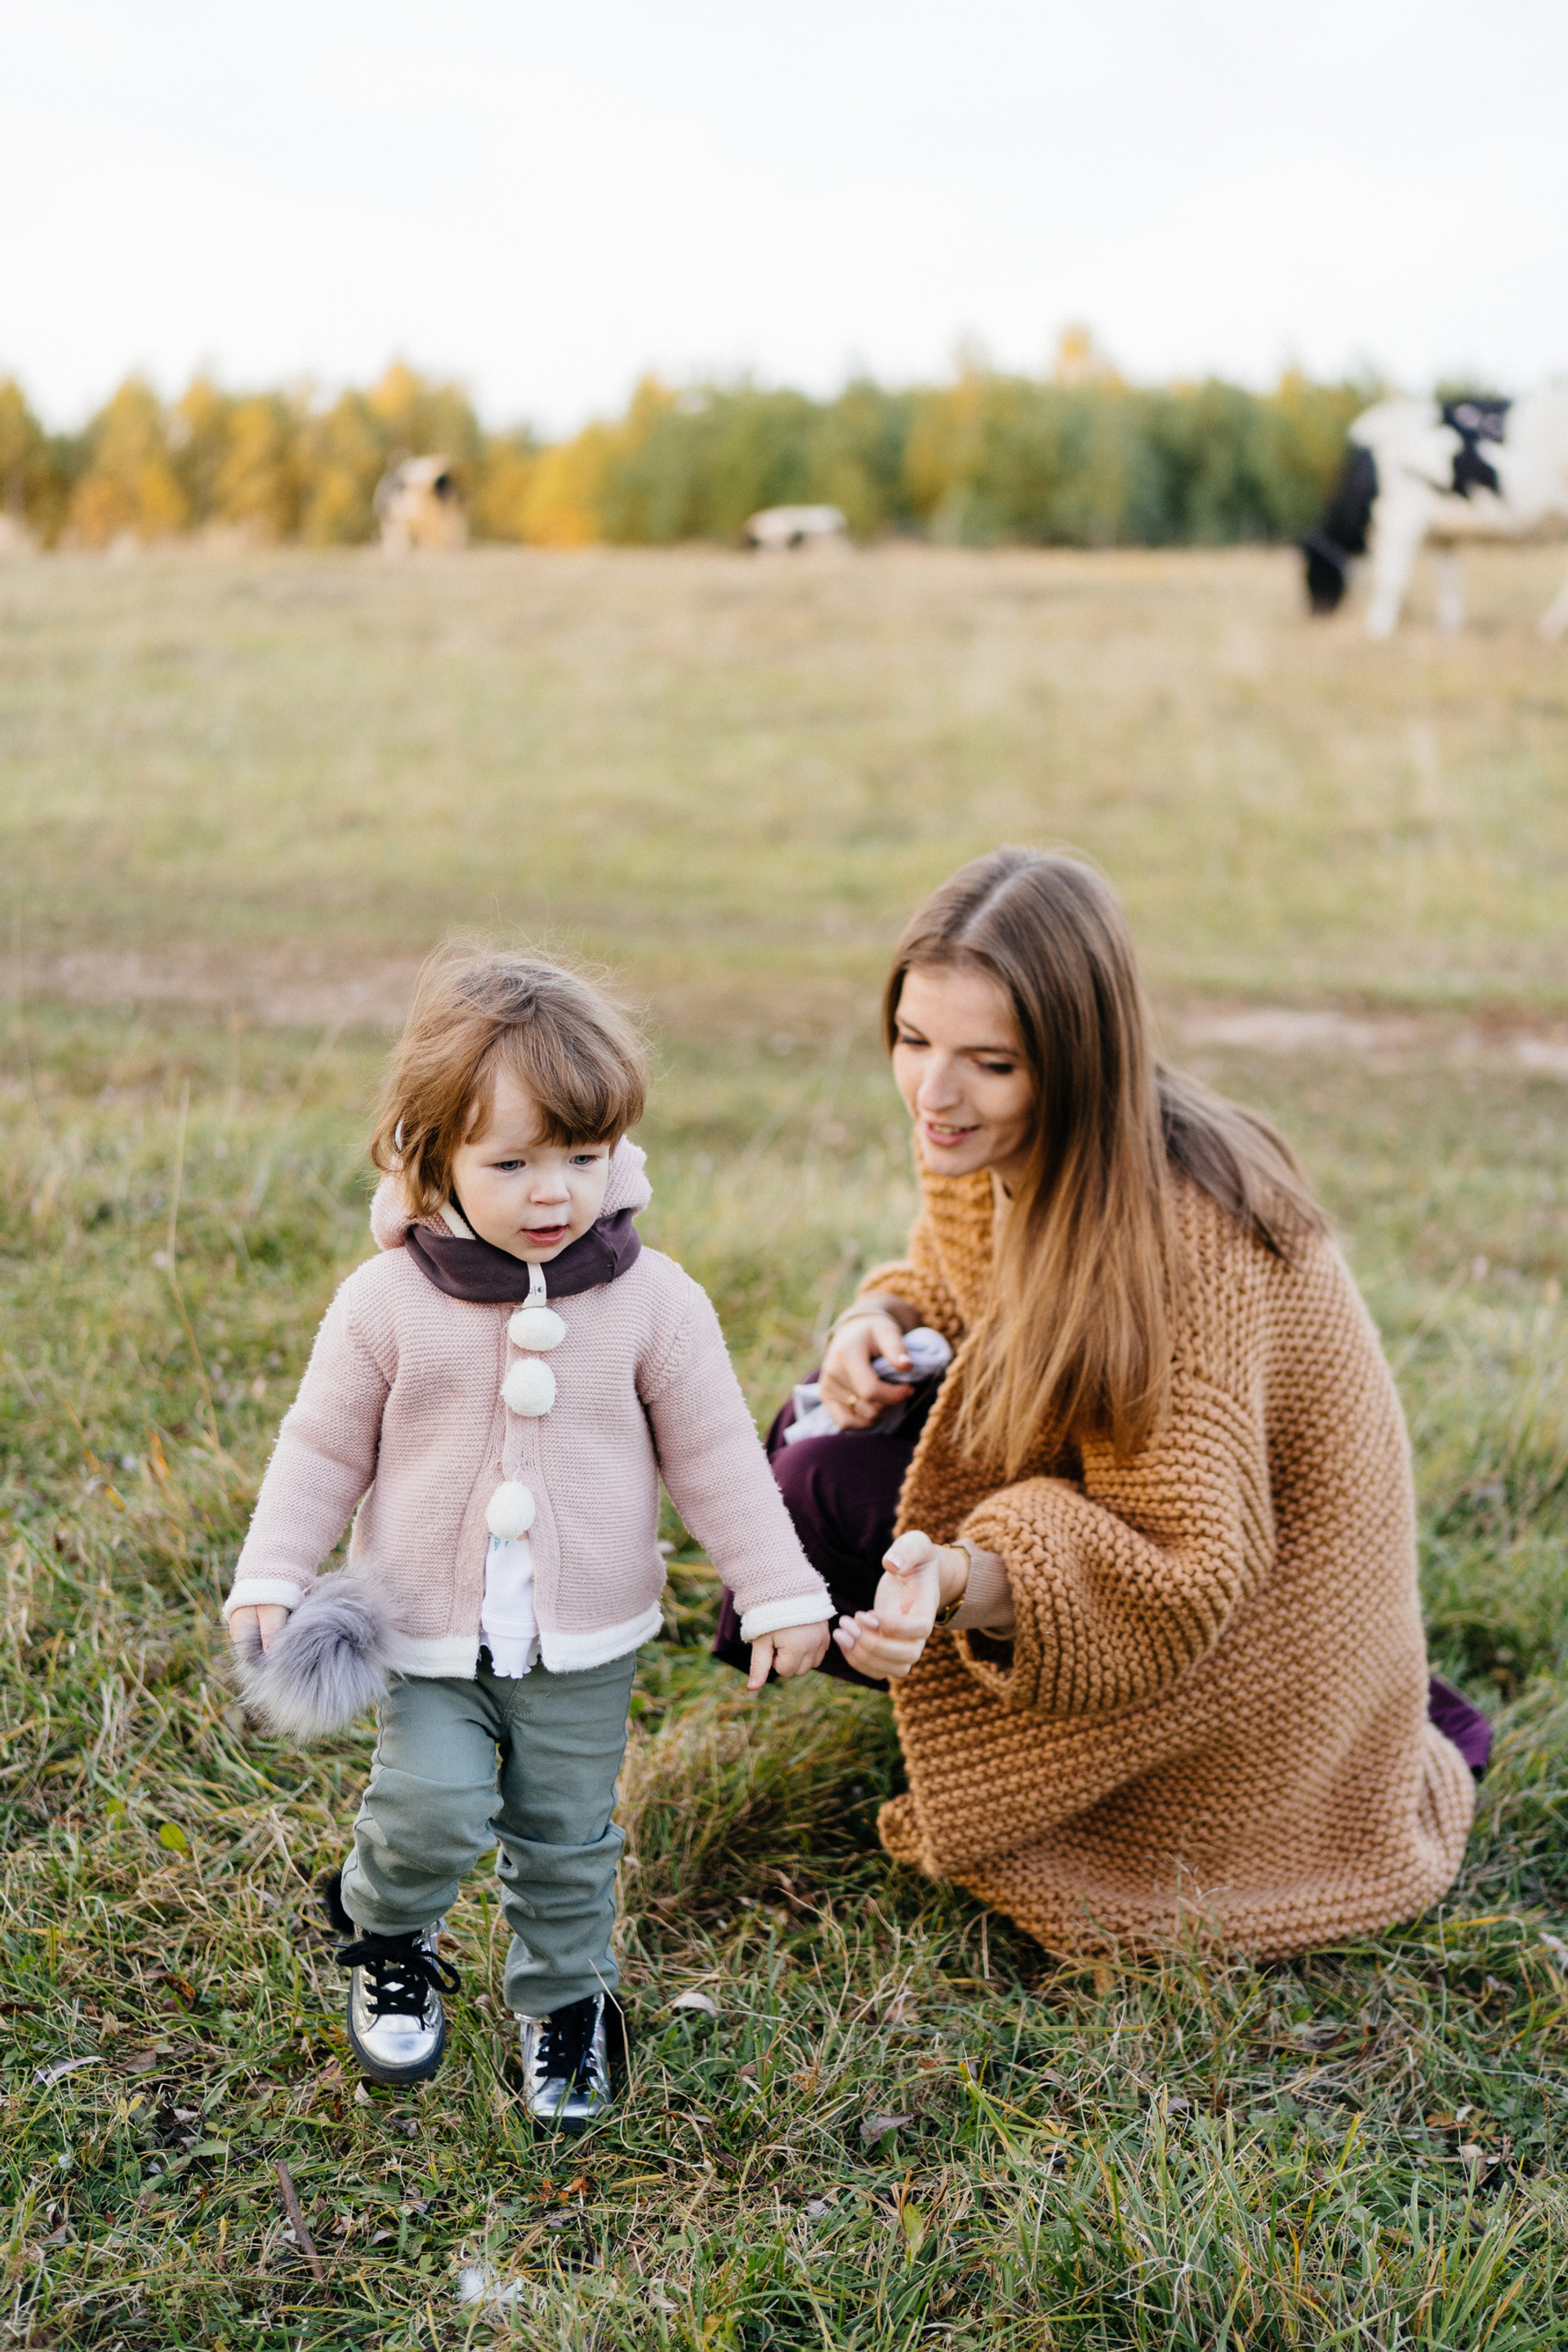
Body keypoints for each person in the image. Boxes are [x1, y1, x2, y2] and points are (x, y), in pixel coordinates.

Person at [715, 849, 1486, 1959]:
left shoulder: (1183, 1231)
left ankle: (1068, 1752)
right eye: (913, 1040)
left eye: (989, 1061)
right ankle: (962, 1711)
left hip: (1245, 1627)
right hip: (1119, 1519)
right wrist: (867, 1326)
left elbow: (1185, 1570)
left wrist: (962, 1578)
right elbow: (956, 1276)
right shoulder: (995, 1134)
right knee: (810, 1432)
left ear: (1077, 1062)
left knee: (818, 1485)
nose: (934, 1093)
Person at [225, 949, 831, 2128]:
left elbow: (714, 1456)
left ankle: (566, 2003)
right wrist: (274, 1570)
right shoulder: (387, 1301)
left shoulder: (658, 1303)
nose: (554, 1192)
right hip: (426, 1629)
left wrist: (778, 1589)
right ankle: (384, 1923)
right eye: (513, 1163)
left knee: (566, 1833)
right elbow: (321, 1447)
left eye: (584, 1158)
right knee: (434, 1807)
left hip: (585, 1638)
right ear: (432, 1154)